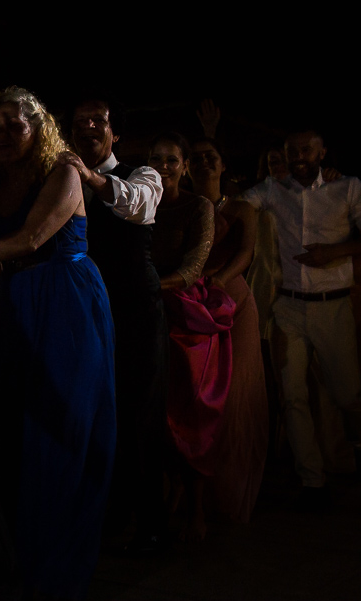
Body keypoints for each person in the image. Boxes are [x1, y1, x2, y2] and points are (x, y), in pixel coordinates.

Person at [0, 87, 116, 600]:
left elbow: (29, 239)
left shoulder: (64, 173)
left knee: (61, 423)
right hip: (16, 302)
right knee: (16, 422)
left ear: (39, 129)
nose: (5, 135)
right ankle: (20, 549)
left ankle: (57, 561)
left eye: (16, 125)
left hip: (66, 300)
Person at [59, 96, 168, 554]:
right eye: (80, 120)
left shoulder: (143, 175)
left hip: (134, 307)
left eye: (97, 121)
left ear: (113, 132)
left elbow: (135, 205)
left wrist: (91, 179)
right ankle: (106, 513)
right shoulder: (59, 176)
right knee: (91, 410)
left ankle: (151, 523)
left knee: (139, 411)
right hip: (83, 307)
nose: (88, 127)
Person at [241, 128, 361, 510]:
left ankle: (350, 457)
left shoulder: (349, 188)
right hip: (289, 306)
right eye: (292, 150)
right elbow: (241, 204)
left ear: (323, 151)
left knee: (348, 394)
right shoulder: (275, 190)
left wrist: (336, 251)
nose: (299, 156)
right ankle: (312, 480)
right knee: (293, 395)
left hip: (333, 305)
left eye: (306, 149)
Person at [147, 132, 227, 541]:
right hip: (146, 310)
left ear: (182, 167)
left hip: (185, 312)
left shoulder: (198, 206)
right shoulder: (137, 202)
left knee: (190, 410)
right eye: (156, 159)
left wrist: (147, 287)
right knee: (151, 410)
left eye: (171, 160)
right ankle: (161, 493)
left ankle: (196, 504)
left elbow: (196, 263)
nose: (163, 167)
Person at [188, 137, 268, 524]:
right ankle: (195, 493)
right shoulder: (184, 206)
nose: (204, 163)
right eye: (197, 159)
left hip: (231, 300)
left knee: (236, 395)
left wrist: (214, 281)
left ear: (222, 166)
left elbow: (245, 254)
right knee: (199, 394)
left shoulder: (242, 208)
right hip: (193, 302)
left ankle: (231, 489)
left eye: (212, 158)